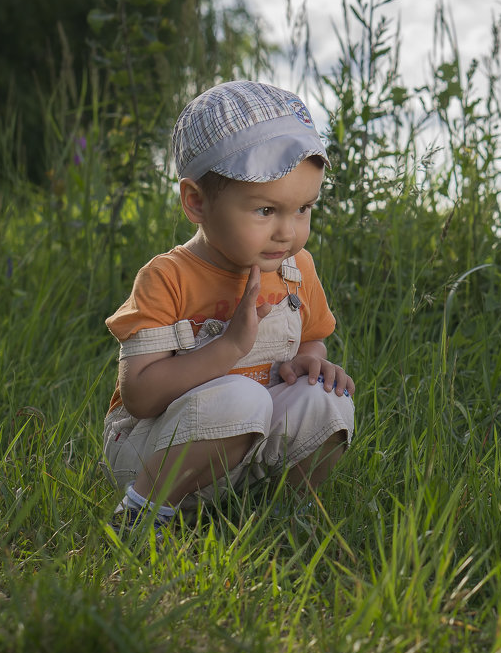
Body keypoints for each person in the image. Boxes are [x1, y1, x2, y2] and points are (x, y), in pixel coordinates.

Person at [100, 81, 355, 537]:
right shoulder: (167, 278)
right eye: (265, 211)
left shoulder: (297, 271)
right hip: (154, 449)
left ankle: (280, 518)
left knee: (326, 400)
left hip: (245, 452)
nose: (287, 232)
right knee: (241, 396)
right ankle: (142, 516)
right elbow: (139, 395)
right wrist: (230, 347)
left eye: (303, 209)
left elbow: (311, 336)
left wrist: (311, 364)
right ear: (196, 201)